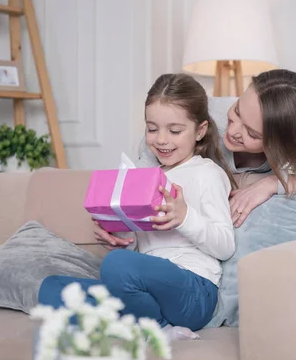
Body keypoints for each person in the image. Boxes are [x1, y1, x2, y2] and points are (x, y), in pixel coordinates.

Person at [38, 73, 236, 335]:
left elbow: (225, 245)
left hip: (194, 290)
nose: (161, 139)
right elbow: (142, 248)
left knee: (117, 265)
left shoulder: (206, 173)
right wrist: (119, 234)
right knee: (50, 289)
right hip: (149, 287)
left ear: (200, 131)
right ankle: (142, 321)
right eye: (152, 129)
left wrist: (185, 217)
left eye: (175, 131)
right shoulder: (142, 175)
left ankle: (153, 326)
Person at [138, 68, 296, 227]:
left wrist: (276, 183)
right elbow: (156, 139)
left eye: (252, 133)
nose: (233, 131)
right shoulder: (213, 111)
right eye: (237, 111)